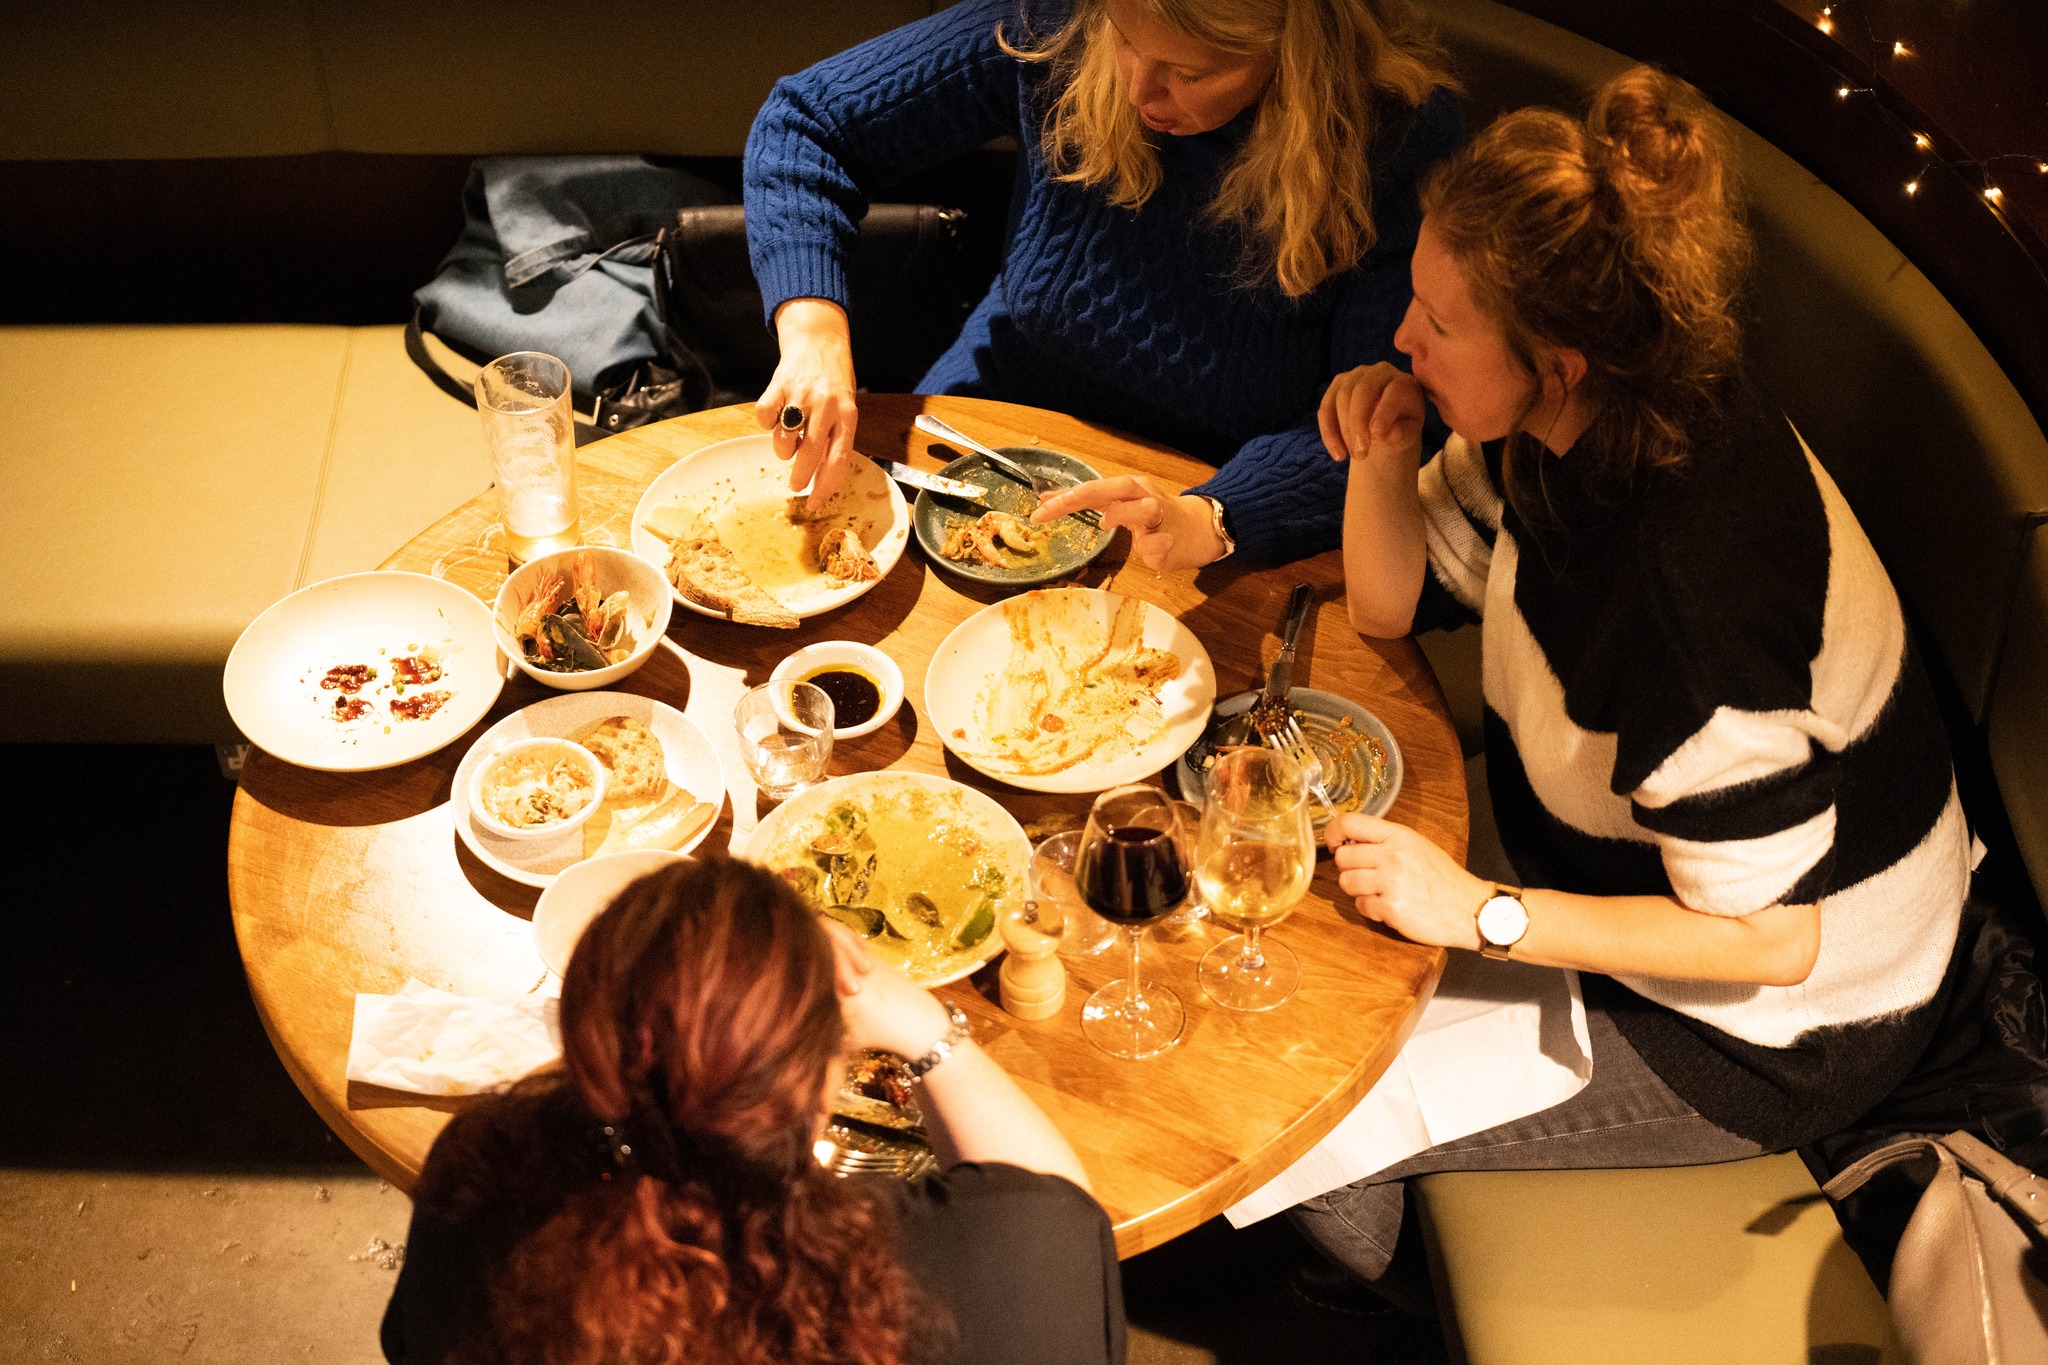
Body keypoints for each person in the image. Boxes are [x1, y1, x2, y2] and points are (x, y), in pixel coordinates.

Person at [1291, 66, 1973, 1314]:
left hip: (1779, 1027)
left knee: (1327, 1114)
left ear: (1551, 361)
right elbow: (1386, 604)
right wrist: (1384, 452)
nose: (1401, 338)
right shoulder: (1575, 422)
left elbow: (1770, 942)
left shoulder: (1688, 598)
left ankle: (1358, 1323)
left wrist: (1482, 912)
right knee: (1307, 945)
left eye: (1437, 327)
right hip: (1632, 872)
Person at [744, 0, 1460, 566]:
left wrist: (1217, 514)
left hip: (1207, 509)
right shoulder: (1056, 21)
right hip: (982, 426)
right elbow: (807, 124)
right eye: (1122, 35)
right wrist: (812, 335)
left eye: (1190, 71)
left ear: (1297, 49)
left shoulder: (1394, 141)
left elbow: (1384, 431)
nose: (1136, 88)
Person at [380, 857, 1124, 1365]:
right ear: (823, 1087)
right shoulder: (958, 1287)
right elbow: (1052, 1207)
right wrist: (916, 1022)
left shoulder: (478, 1186)